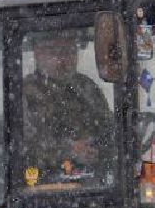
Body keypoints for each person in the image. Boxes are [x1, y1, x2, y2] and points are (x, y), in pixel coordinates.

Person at [23, 31, 114, 181]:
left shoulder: (86, 88)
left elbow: (108, 129)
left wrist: (100, 148)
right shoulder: (26, 94)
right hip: (44, 185)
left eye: (70, 52)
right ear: (38, 54)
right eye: (55, 52)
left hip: (93, 182)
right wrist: (68, 150)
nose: (63, 59)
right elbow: (24, 146)